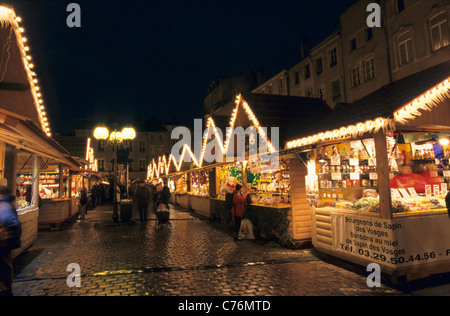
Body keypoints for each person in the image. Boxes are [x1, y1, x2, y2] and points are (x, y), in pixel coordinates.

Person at [0, 186, 22, 296]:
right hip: (7, 240)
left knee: (4, 264)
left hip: (4, 240)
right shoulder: (8, 204)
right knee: (5, 264)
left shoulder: (3, 206)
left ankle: (6, 289)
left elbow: (9, 220)